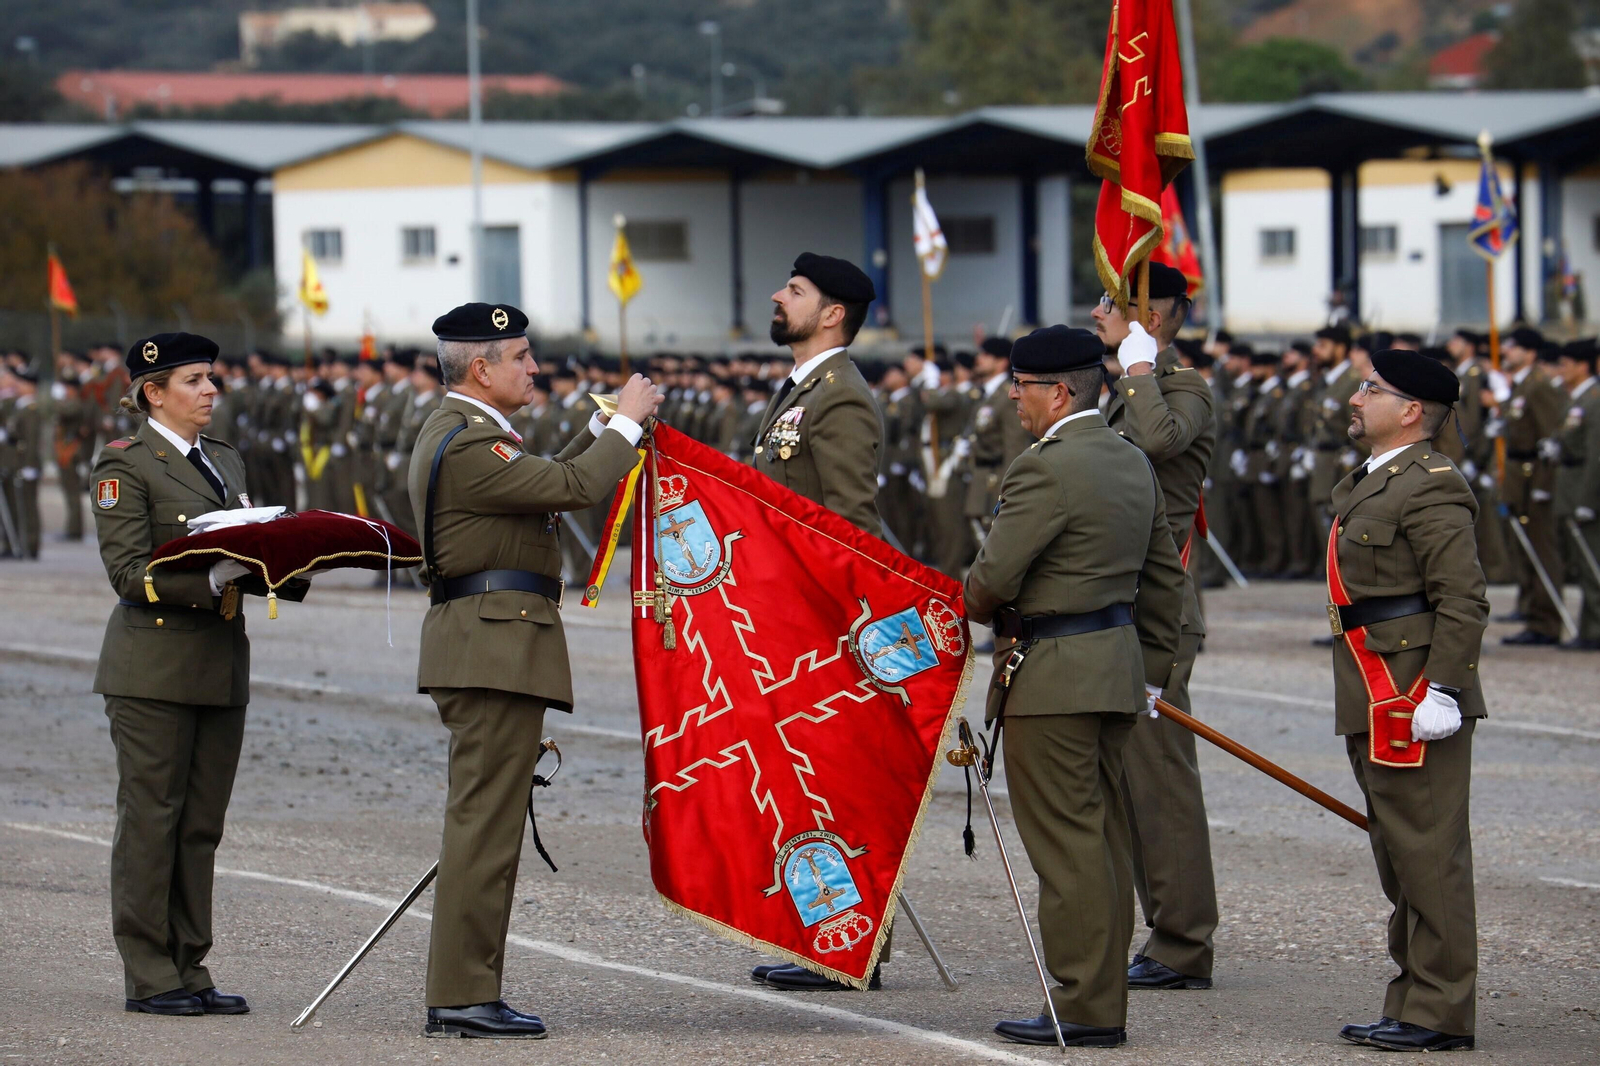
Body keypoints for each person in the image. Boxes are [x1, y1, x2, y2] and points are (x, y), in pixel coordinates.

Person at [408, 302, 660, 1039]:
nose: (534, 368)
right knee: (483, 829)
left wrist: (597, 430)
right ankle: (460, 993)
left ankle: (468, 988)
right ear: (481, 369)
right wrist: (628, 424)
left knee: (486, 825)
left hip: (494, 644)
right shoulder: (465, 441)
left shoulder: (472, 433)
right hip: (491, 647)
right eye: (520, 356)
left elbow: (542, 473)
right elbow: (569, 488)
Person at [964, 325, 1184, 1048]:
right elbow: (1163, 582)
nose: (1015, 401)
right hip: (1115, 670)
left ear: (1058, 392)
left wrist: (974, 593)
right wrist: (1149, 675)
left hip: (1054, 675)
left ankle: (1086, 1005)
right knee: (1104, 842)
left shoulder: (1043, 468)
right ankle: (1100, 995)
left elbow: (991, 582)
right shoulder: (1130, 461)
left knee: (1067, 849)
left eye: (1022, 388)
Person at [91, 332, 287, 1017]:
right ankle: (149, 973)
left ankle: (189, 965)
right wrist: (213, 575)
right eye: (195, 380)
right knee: (152, 819)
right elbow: (127, 573)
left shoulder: (224, 461)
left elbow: (251, 548)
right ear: (154, 392)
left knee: (201, 823)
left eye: (212, 378)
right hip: (152, 665)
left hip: (219, 662)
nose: (211, 391)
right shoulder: (125, 464)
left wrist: (286, 558)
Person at [1331, 349, 1487, 1053]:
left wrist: (1446, 689)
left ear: (1413, 410)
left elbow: (1463, 598)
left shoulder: (1431, 485)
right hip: (1373, 690)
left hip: (1413, 693)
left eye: (1371, 389)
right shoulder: (1375, 478)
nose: (1357, 398)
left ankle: (1441, 1012)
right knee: (1400, 855)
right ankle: (1413, 999)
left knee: (1430, 855)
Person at [1091, 262, 1220, 991]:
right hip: (1118, 601)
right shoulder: (1125, 390)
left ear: (1159, 316)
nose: (1099, 309)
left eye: (1117, 301)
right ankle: (1156, 927)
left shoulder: (1180, 388)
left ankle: (1183, 943)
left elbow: (1158, 443)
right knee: (1122, 780)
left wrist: (1138, 366)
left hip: (1159, 611)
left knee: (1159, 780)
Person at [751, 252, 884, 540]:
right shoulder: (802, 386)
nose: (777, 296)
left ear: (832, 315)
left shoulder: (839, 396)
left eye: (795, 292)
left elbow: (852, 528)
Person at [1498, 329, 1567, 645]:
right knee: (1526, 548)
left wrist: (1543, 484)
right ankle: (1533, 612)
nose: (1506, 352)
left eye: (1512, 347)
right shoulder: (1523, 384)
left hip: (1533, 477)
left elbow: (1549, 440)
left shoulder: (1539, 385)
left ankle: (1547, 622)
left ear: (1529, 352)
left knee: (1542, 550)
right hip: (1518, 476)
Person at [1553, 339, 1600, 650]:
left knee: (1592, 562)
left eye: (1566, 364)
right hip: (1570, 483)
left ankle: (1595, 630)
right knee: (1583, 563)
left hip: (1586, 489)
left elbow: (1596, 452)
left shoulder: (1594, 399)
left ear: (1583, 366)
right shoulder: (1579, 398)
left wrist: (1588, 500)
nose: (1561, 370)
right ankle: (1589, 627)